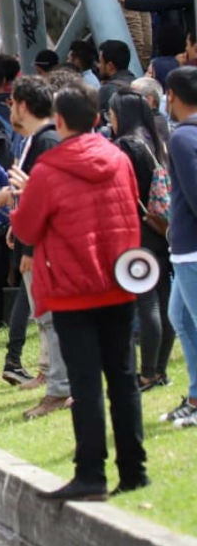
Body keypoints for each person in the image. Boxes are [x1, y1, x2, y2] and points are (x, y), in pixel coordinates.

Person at [10, 83, 147, 500]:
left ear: (61, 120)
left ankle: (91, 474)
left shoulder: (49, 170)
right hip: (118, 281)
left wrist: (20, 196)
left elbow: (27, 228)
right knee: (123, 379)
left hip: (72, 288)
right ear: (98, 117)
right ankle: (134, 470)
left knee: (86, 384)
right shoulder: (119, 159)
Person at [0, 76, 70, 418]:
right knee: (44, 317)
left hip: (42, 247)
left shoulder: (46, 141)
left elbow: (46, 196)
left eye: (13, 103)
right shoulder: (35, 139)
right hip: (32, 240)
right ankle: (52, 378)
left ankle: (59, 387)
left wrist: (29, 248)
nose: (11, 109)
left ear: (23, 105)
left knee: (50, 317)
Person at [108, 90, 174, 393]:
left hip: (137, 230)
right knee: (162, 300)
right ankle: (159, 370)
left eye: (111, 113)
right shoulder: (154, 140)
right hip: (159, 228)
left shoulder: (126, 145)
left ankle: (147, 374)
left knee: (147, 303)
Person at [159, 67, 197, 427]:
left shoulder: (183, 137)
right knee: (181, 319)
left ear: (171, 94)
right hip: (185, 249)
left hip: (191, 251)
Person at [97, 39, 137, 115]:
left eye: (100, 62)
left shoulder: (106, 90)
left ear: (110, 66)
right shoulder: (139, 84)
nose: (98, 66)